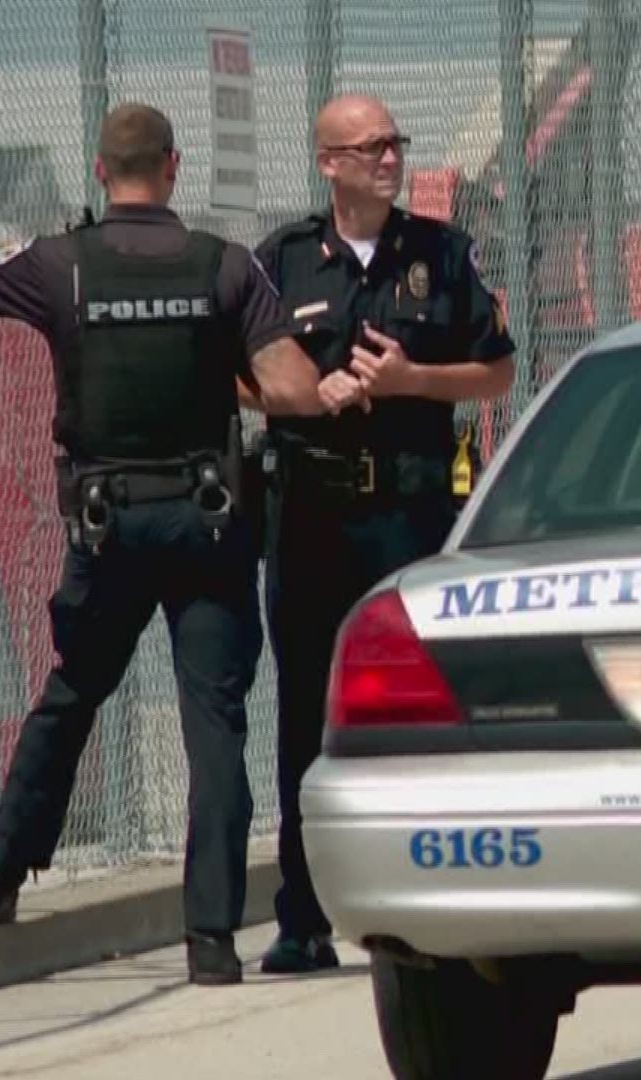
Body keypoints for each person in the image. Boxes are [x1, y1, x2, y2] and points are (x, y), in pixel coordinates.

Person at [0, 102, 363, 985]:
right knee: (215, 725)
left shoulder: (61, 265)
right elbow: (292, 390)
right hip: (209, 524)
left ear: (101, 173)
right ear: (173, 168)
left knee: (71, 695)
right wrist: (233, 375)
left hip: (109, 530)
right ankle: (212, 943)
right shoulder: (225, 266)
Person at [250, 94, 516, 974]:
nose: (389, 159)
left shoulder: (437, 256)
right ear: (328, 162)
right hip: (312, 514)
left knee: (425, 704)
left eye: (396, 144)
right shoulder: (283, 260)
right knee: (304, 712)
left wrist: (408, 381)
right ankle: (302, 916)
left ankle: (434, 908)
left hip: (408, 512)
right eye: (369, 148)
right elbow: (236, 375)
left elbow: (496, 371)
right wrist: (299, 396)